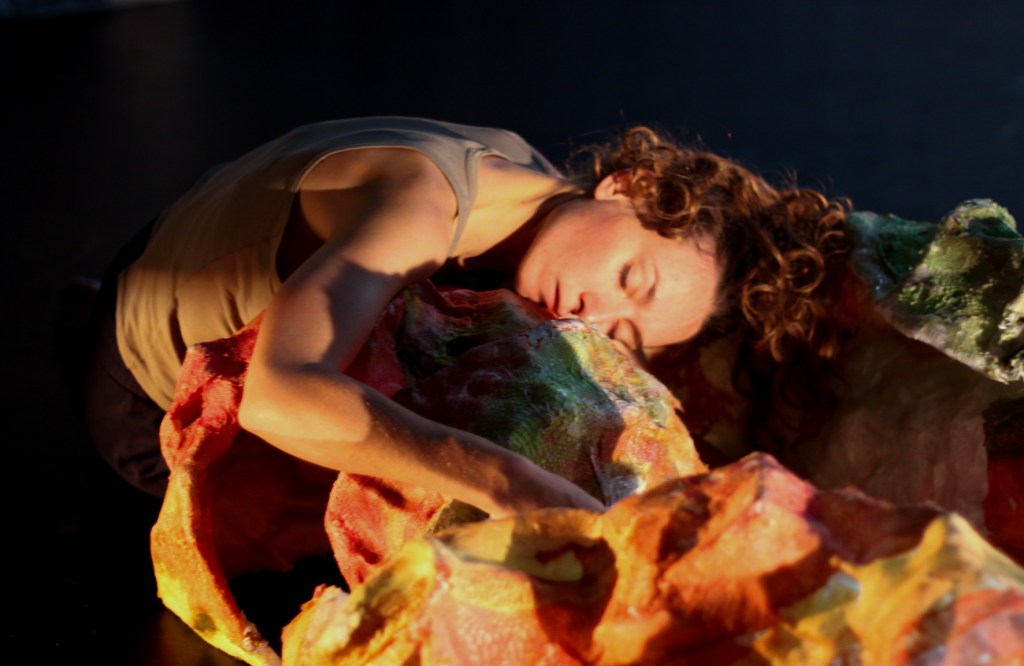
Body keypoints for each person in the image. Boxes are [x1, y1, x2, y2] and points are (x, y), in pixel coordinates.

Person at [82, 116, 849, 513]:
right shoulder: (420, 207)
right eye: (629, 278)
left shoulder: (524, 177)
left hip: (190, 228)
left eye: (624, 333)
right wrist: (507, 481)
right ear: (629, 185)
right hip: (135, 384)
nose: (595, 316)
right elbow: (277, 396)